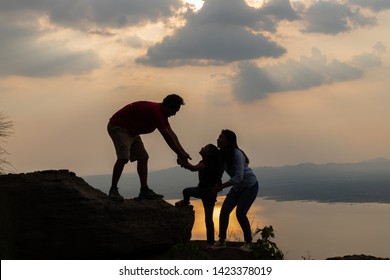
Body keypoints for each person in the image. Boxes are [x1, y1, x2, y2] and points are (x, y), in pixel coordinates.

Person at [107, 94, 191, 202]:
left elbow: (172, 134)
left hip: (132, 131)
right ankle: (113, 190)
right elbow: (167, 136)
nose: (174, 114)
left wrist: (183, 152)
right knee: (123, 157)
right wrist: (179, 153)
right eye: (175, 110)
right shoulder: (155, 112)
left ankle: (144, 190)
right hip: (119, 127)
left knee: (143, 157)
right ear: (168, 106)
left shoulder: (162, 113)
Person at [211, 129, 259, 252]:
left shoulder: (237, 154)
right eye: (218, 137)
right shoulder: (222, 154)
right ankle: (222, 240)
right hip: (238, 187)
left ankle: (248, 243)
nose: (218, 140)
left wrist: (221, 187)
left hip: (250, 186)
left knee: (240, 213)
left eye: (221, 138)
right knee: (224, 211)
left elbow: (239, 176)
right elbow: (218, 170)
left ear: (229, 141)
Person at [175, 144, 223, 245]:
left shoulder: (207, 162)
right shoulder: (206, 162)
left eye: (205, 147)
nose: (202, 147)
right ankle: (210, 242)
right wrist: (184, 163)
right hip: (204, 191)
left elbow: (194, 168)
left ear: (208, 153)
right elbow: (193, 167)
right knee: (208, 219)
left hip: (206, 193)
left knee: (208, 219)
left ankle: (210, 243)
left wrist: (183, 163)